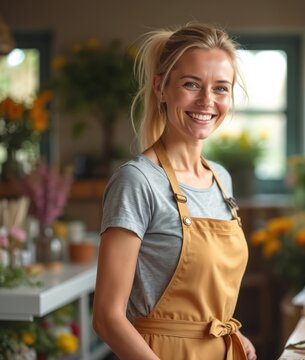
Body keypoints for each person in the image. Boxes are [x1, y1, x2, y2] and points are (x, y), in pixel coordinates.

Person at [92, 22, 257, 360]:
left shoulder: (221, 179)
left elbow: (206, 299)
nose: (207, 101)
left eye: (221, 88)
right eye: (191, 84)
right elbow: (107, 318)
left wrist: (232, 334)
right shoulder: (137, 181)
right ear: (161, 88)